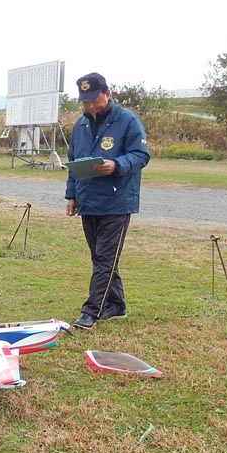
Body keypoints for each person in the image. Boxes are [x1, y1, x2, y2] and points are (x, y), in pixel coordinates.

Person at [64, 72, 150, 330]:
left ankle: (91, 311)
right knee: (101, 258)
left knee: (105, 259)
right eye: (85, 101)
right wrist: (72, 195)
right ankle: (116, 304)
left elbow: (141, 155)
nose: (90, 106)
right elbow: (73, 162)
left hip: (116, 201)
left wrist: (116, 165)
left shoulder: (127, 121)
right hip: (88, 200)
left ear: (107, 94)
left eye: (95, 100)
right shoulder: (80, 125)